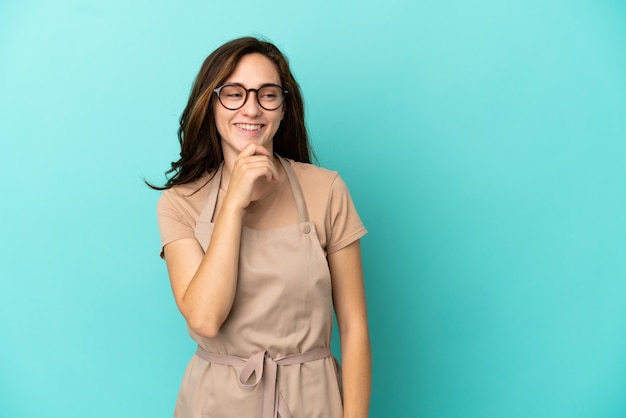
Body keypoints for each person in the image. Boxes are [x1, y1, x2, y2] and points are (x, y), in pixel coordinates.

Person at [152, 36, 371, 418]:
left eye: (267, 94)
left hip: (313, 402)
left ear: (284, 108)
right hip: (214, 404)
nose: (251, 109)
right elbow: (205, 319)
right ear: (211, 103)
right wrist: (233, 202)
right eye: (234, 93)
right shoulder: (179, 203)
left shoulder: (326, 190)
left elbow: (354, 329)